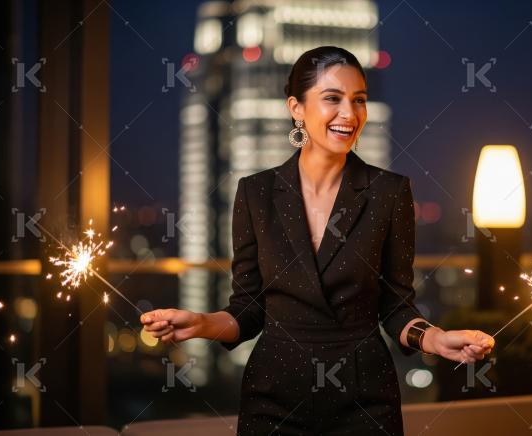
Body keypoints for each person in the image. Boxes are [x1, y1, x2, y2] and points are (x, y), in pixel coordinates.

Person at [141, 46, 495, 435]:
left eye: (359, 100)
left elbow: (396, 307)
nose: (349, 113)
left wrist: (435, 339)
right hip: (273, 396)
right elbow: (249, 310)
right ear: (296, 107)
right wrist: (202, 323)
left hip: (365, 398)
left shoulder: (390, 193)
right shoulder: (255, 193)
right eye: (332, 98)